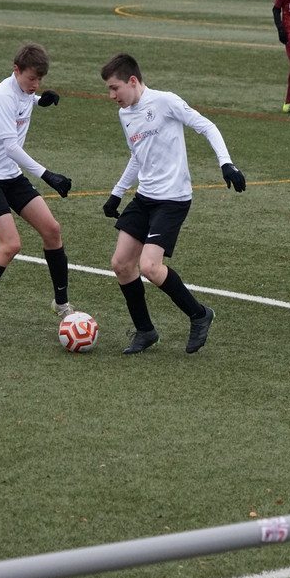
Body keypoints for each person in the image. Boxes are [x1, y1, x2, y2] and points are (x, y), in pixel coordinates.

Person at [100, 53, 247, 355]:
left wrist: (226, 163)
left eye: (115, 88)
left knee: (150, 267)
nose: (112, 96)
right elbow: (137, 155)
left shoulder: (165, 101)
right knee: (121, 264)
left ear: (132, 80)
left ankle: (199, 314)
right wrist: (117, 192)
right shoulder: (125, 114)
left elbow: (207, 126)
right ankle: (145, 331)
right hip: (145, 197)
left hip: (173, 200)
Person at [0, 42, 74, 345]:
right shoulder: (3, 95)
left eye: (40, 79)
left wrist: (38, 101)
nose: (35, 84)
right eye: (31, 79)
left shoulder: (23, 91)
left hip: (10, 175)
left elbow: (24, 99)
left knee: (52, 230)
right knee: (10, 245)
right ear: (16, 70)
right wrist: (47, 175)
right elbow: (10, 146)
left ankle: (61, 304)